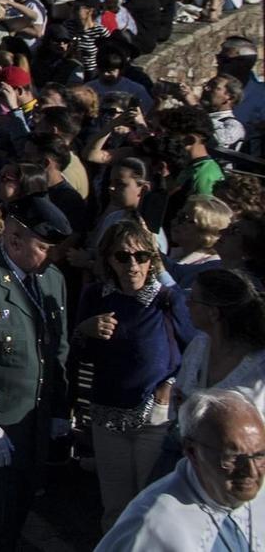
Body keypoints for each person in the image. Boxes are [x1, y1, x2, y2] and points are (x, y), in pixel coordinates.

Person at [0, 194, 73, 551]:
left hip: (33, 424)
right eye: (42, 246)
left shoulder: (51, 279)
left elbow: (59, 350)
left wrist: (58, 411)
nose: (50, 255)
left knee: (19, 511)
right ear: (14, 240)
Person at [75, 218, 196, 528]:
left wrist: (169, 385)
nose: (132, 265)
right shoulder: (94, 297)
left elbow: (195, 350)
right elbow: (77, 354)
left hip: (155, 417)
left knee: (152, 507)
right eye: (122, 256)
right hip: (107, 414)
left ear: (151, 260)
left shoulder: (168, 299)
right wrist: (84, 331)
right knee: (115, 508)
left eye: (141, 256)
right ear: (108, 260)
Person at [97, 388, 265, 550]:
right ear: (192, 451)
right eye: (232, 457)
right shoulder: (154, 528)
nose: (251, 471)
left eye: (260, 455)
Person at [176, 270, 265, 421]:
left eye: (193, 299)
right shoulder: (199, 345)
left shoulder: (260, 365)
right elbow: (178, 397)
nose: (187, 303)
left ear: (213, 313)